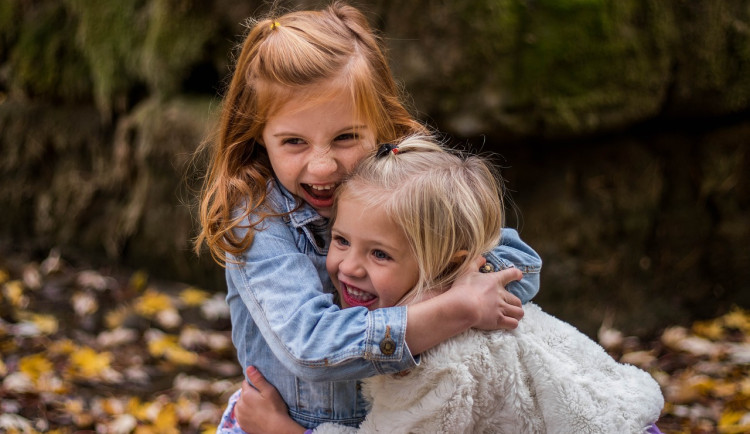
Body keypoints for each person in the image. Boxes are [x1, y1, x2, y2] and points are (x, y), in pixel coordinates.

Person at [194, 2, 542, 430]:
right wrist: (451, 310)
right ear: (258, 137)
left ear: (378, 125)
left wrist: (446, 291)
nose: (322, 167)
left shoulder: (401, 183)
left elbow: (519, 267)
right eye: (294, 142)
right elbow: (311, 345)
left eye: (345, 137)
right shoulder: (257, 218)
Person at [234, 136, 665, 434]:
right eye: (341, 240)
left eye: (380, 254)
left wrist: (282, 430)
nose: (349, 266)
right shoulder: (465, 299)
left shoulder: (446, 361)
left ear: (449, 264)